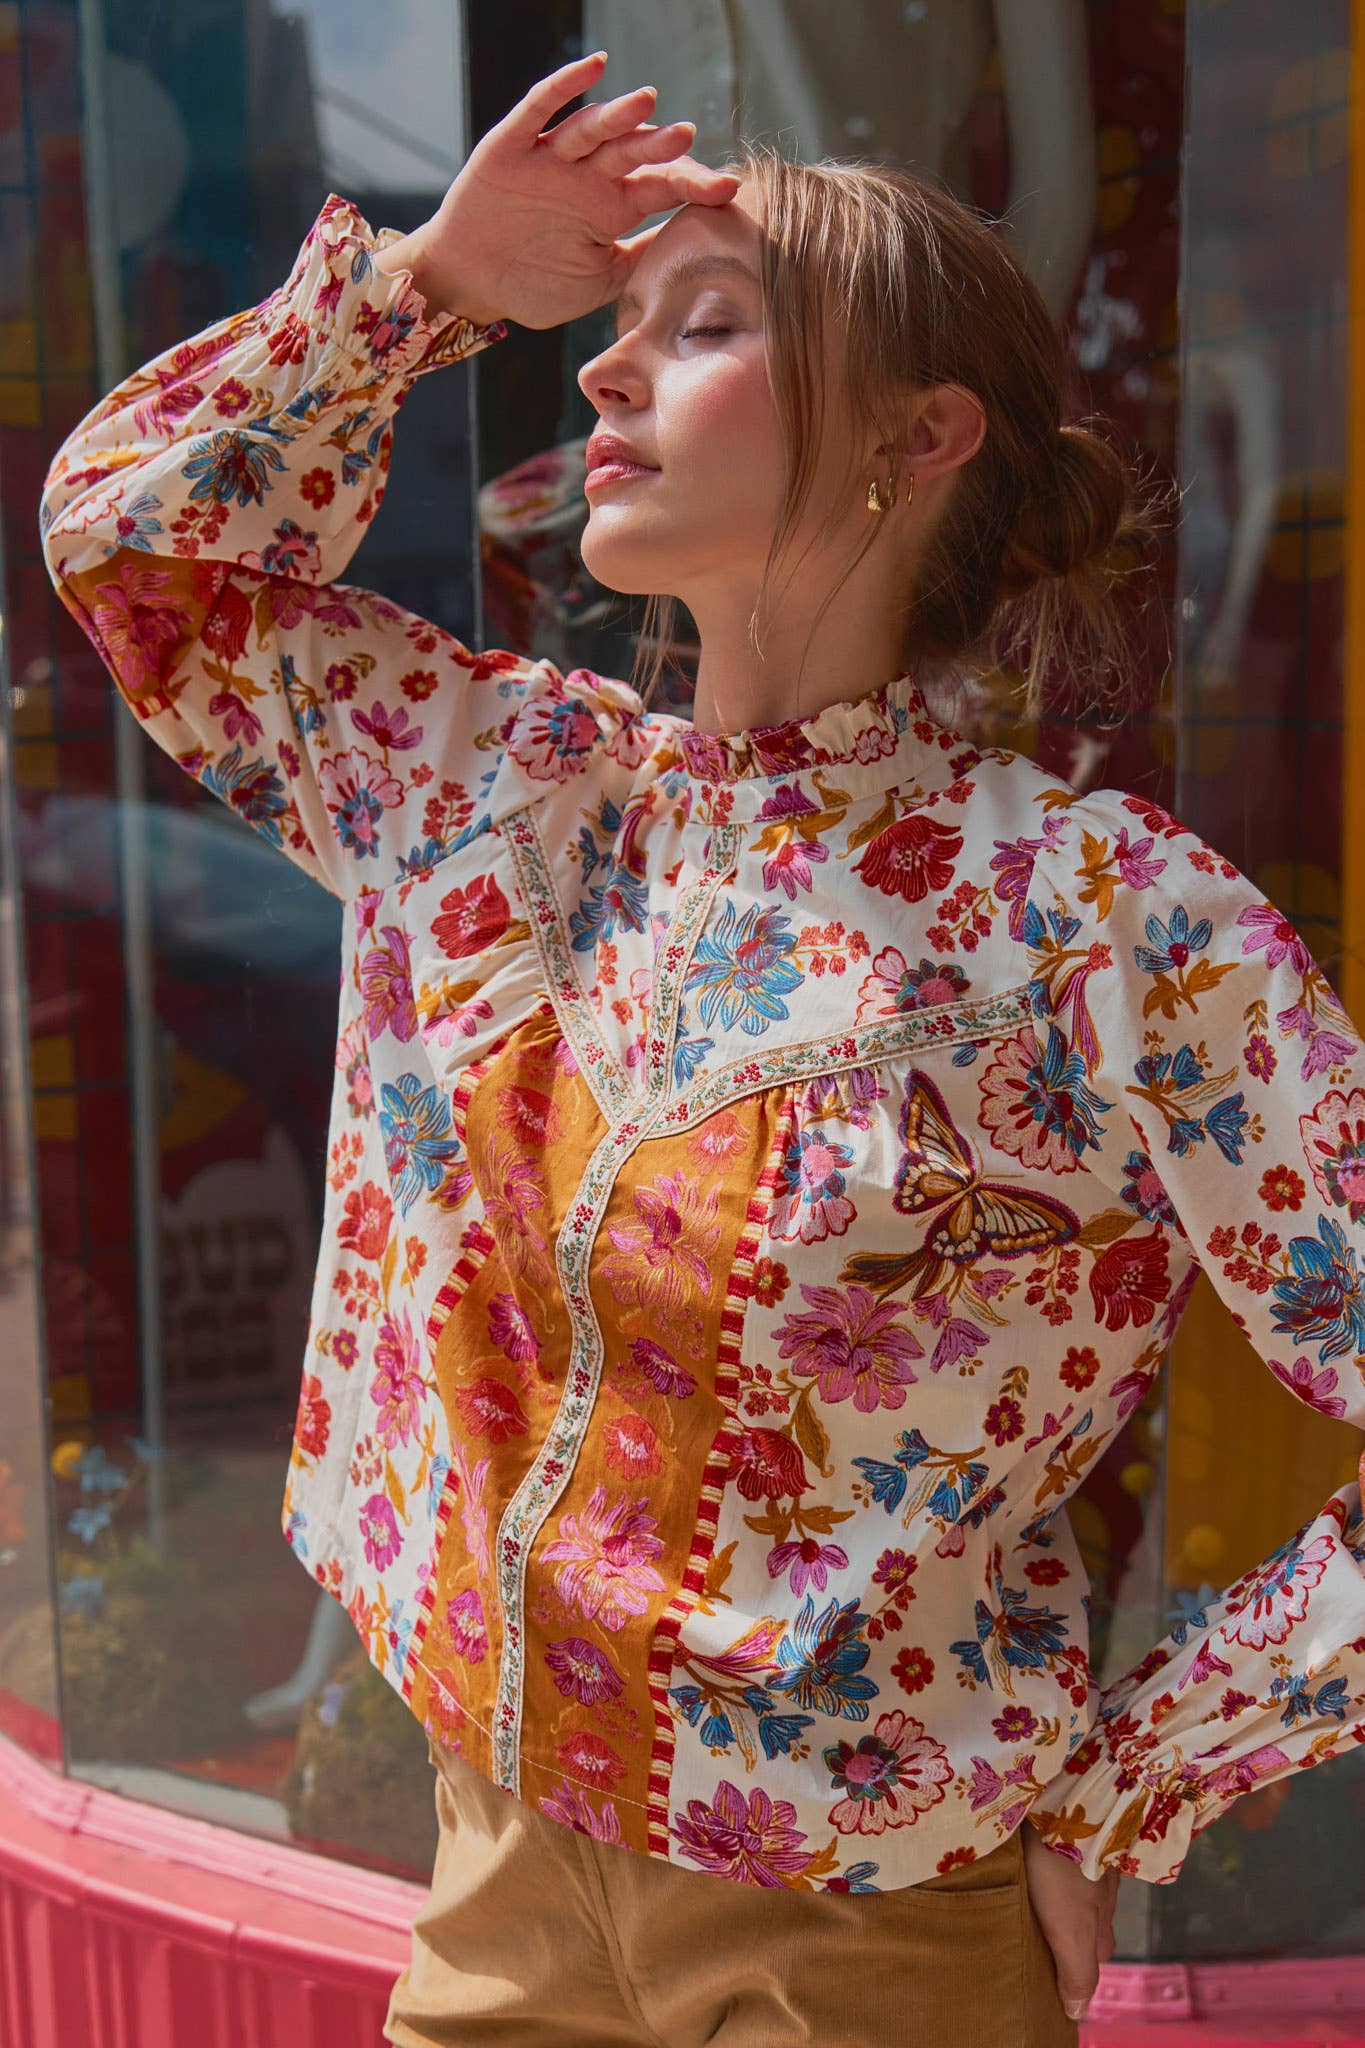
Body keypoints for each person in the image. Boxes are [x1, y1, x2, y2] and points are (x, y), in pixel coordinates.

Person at [39, 47, 1365, 2048]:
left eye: (707, 322)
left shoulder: (1099, 925)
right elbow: (130, 548)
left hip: (869, 1939)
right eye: (622, 323)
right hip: (494, 1889)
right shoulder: (493, 784)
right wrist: (428, 285)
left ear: (917, 437)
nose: (603, 368)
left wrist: (1139, 1780)